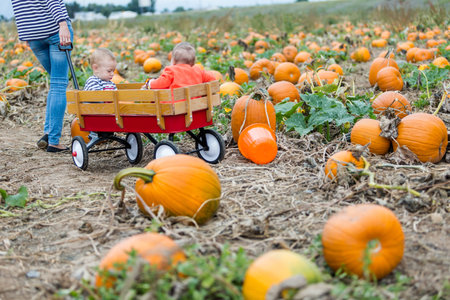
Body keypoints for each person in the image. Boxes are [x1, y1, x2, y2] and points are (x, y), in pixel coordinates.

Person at [11, 0, 73, 153]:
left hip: (33, 36)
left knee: (55, 83)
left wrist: (26, 32)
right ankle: (54, 141)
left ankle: (48, 133)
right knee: (59, 84)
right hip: (55, 30)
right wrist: (63, 24)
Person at [143, 42, 216, 90]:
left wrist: (150, 83)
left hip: (175, 108)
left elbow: (161, 83)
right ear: (193, 62)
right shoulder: (198, 70)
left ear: (173, 61)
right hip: (196, 106)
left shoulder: (171, 71)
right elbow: (213, 78)